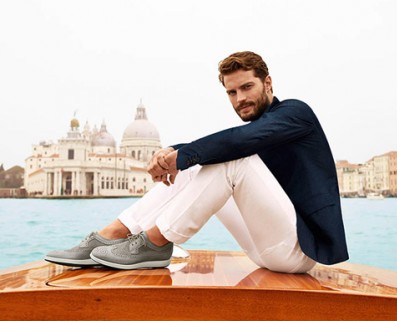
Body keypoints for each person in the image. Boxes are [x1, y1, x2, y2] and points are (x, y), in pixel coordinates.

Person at [45, 51, 349, 273]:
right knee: (207, 161)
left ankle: (155, 243)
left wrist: (181, 156)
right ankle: (113, 233)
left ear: (267, 83)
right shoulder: (260, 129)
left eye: (247, 87)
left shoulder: (295, 114)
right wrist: (172, 153)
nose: (240, 99)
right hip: (264, 249)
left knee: (229, 160)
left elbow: (239, 141)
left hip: (299, 250)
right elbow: (231, 143)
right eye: (232, 92)